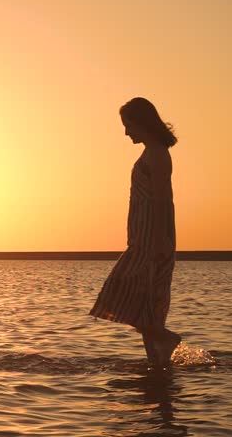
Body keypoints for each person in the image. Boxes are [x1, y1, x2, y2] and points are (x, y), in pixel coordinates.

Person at [89, 97, 181, 368]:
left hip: (150, 242)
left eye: (128, 125)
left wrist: (156, 243)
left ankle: (166, 340)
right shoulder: (151, 153)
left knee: (116, 296)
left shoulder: (157, 154)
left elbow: (163, 200)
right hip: (142, 239)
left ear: (141, 123)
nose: (126, 132)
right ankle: (158, 363)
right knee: (144, 306)